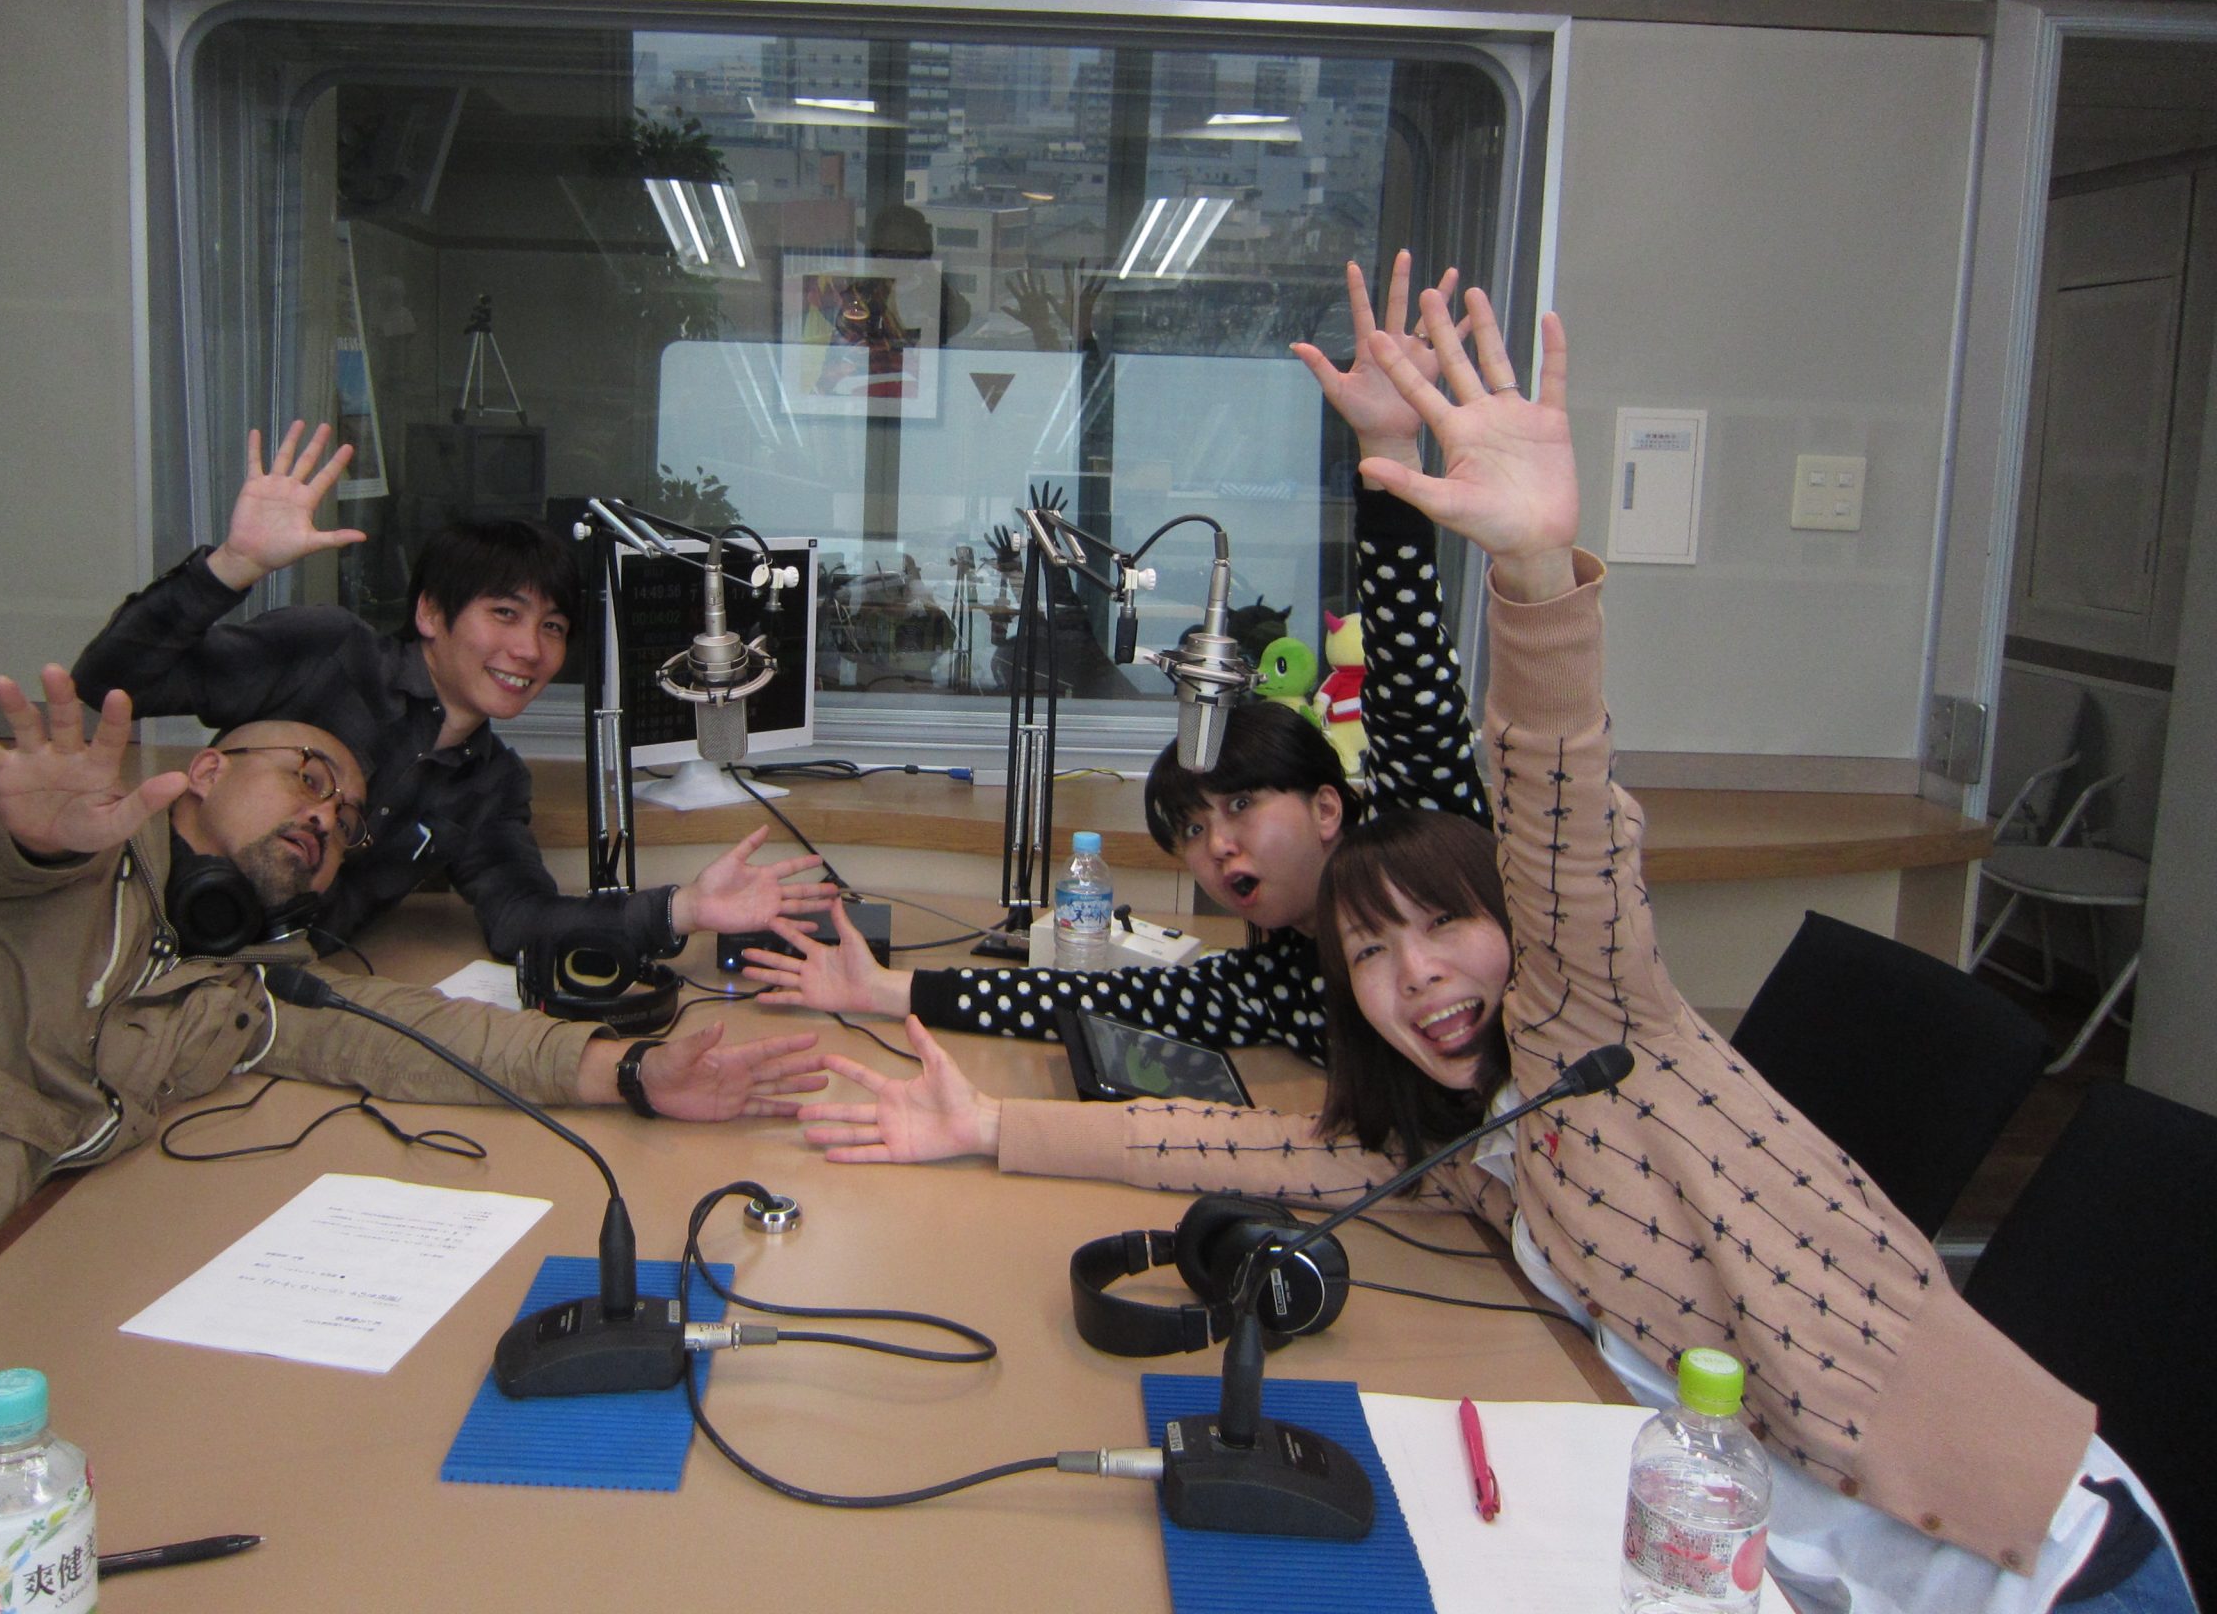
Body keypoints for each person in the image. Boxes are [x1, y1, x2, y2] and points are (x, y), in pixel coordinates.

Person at [788, 292, 2192, 1613]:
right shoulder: (1463, 1133)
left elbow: (1551, 791)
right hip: (1755, 1557)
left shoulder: (1591, 1018)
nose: (1417, 975)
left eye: (1444, 928)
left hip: (2038, 1571)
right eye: (1370, 957)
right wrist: (985, 1124)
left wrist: (1524, 568)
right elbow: (1235, 1145)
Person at [0, 668, 827, 1512]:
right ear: (207, 770)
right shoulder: (63, 867)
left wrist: (631, 1069)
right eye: (305, 780)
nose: (323, 818)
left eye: (346, 820)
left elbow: (407, 1034)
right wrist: (37, 836)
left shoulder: (239, 976)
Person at [741, 253, 1489, 1067]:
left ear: (1328, 808)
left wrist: (1387, 449)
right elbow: (1095, 999)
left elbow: (1412, 685)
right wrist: (887, 992)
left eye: (1240, 806)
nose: (1218, 848)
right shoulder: (1275, 984)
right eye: (1194, 828)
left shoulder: (1428, 856)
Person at [69, 425, 835, 965]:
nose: (530, 649)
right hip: (125, 933)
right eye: (504, 614)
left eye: (553, 626)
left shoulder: (491, 783)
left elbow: (520, 919)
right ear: (431, 614)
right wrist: (232, 566)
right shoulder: (327, 652)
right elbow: (111, 681)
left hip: (277, 987)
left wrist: (684, 910)